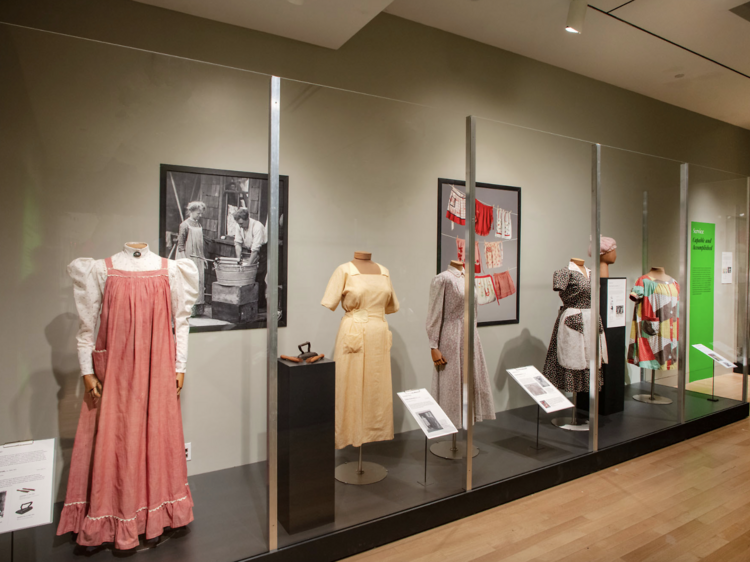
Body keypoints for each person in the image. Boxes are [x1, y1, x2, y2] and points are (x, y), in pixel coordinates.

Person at [177, 201, 207, 316]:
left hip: (198, 257)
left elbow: (200, 243)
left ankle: (198, 309)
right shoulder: (184, 225)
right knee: (188, 283)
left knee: (199, 282)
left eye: (201, 213)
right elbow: (180, 245)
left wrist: (203, 257)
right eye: (198, 213)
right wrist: (185, 261)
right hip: (187, 257)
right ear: (191, 211)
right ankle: (188, 310)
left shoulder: (199, 225)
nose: (200, 215)